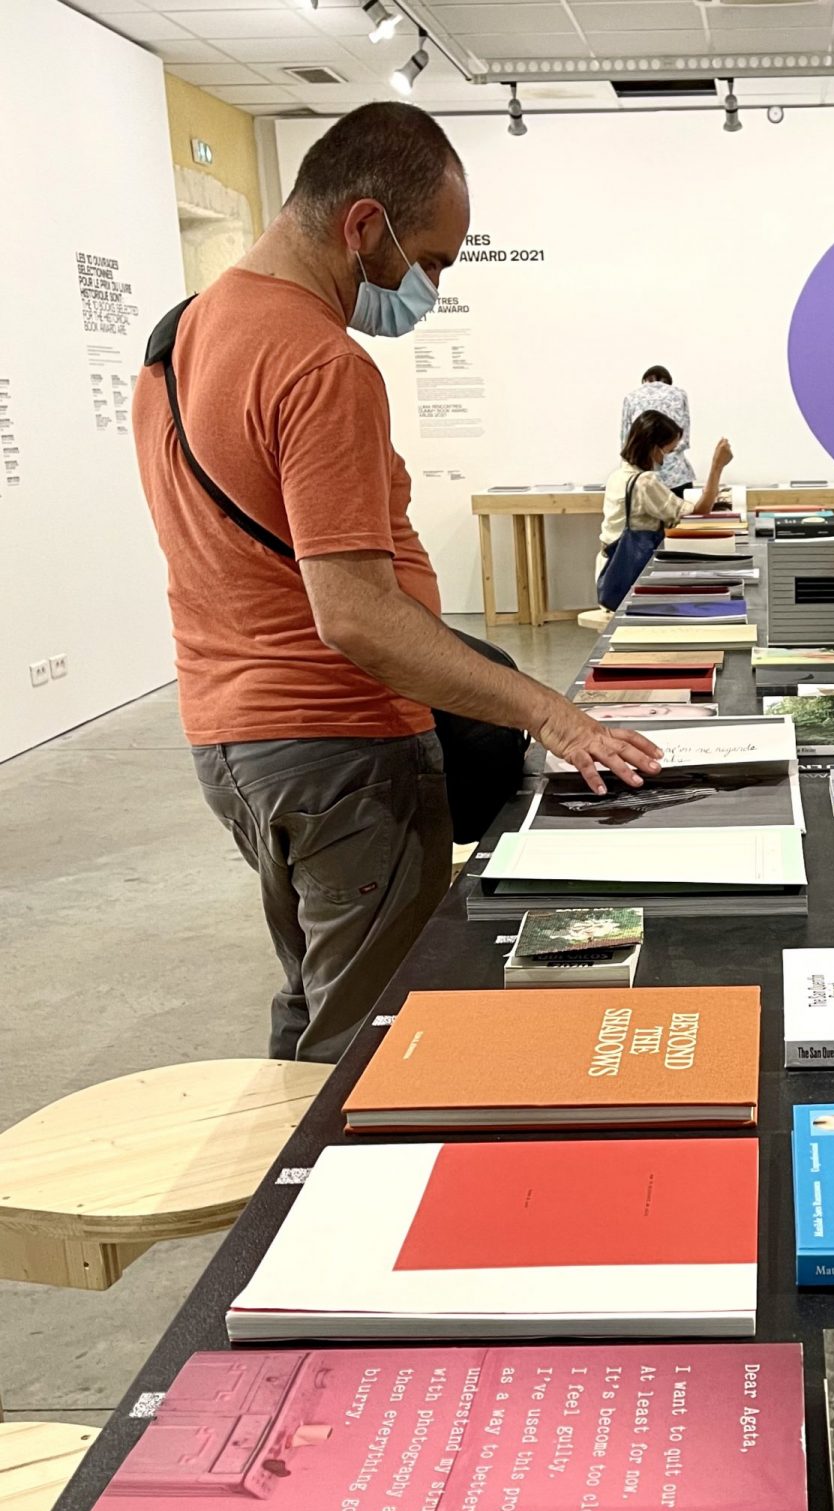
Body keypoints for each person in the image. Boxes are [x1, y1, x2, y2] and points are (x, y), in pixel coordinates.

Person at [131, 103, 661, 1065]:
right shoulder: (319, 360)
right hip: (340, 744)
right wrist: (553, 714)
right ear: (364, 225)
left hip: (234, 733)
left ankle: (288, 1145)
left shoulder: (181, 339)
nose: (433, 289)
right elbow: (356, 617)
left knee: (315, 995)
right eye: (434, 261)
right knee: (373, 1041)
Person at [597, 411, 731, 600]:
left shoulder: (617, 476)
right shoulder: (645, 483)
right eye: (667, 451)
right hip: (630, 575)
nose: (665, 459)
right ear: (654, 448)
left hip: (609, 568)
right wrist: (717, 466)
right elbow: (697, 513)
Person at [619, 364, 694, 491]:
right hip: (676, 476)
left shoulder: (631, 397)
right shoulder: (680, 394)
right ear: (668, 381)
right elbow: (684, 438)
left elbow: (625, 440)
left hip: (641, 477)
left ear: (645, 380)